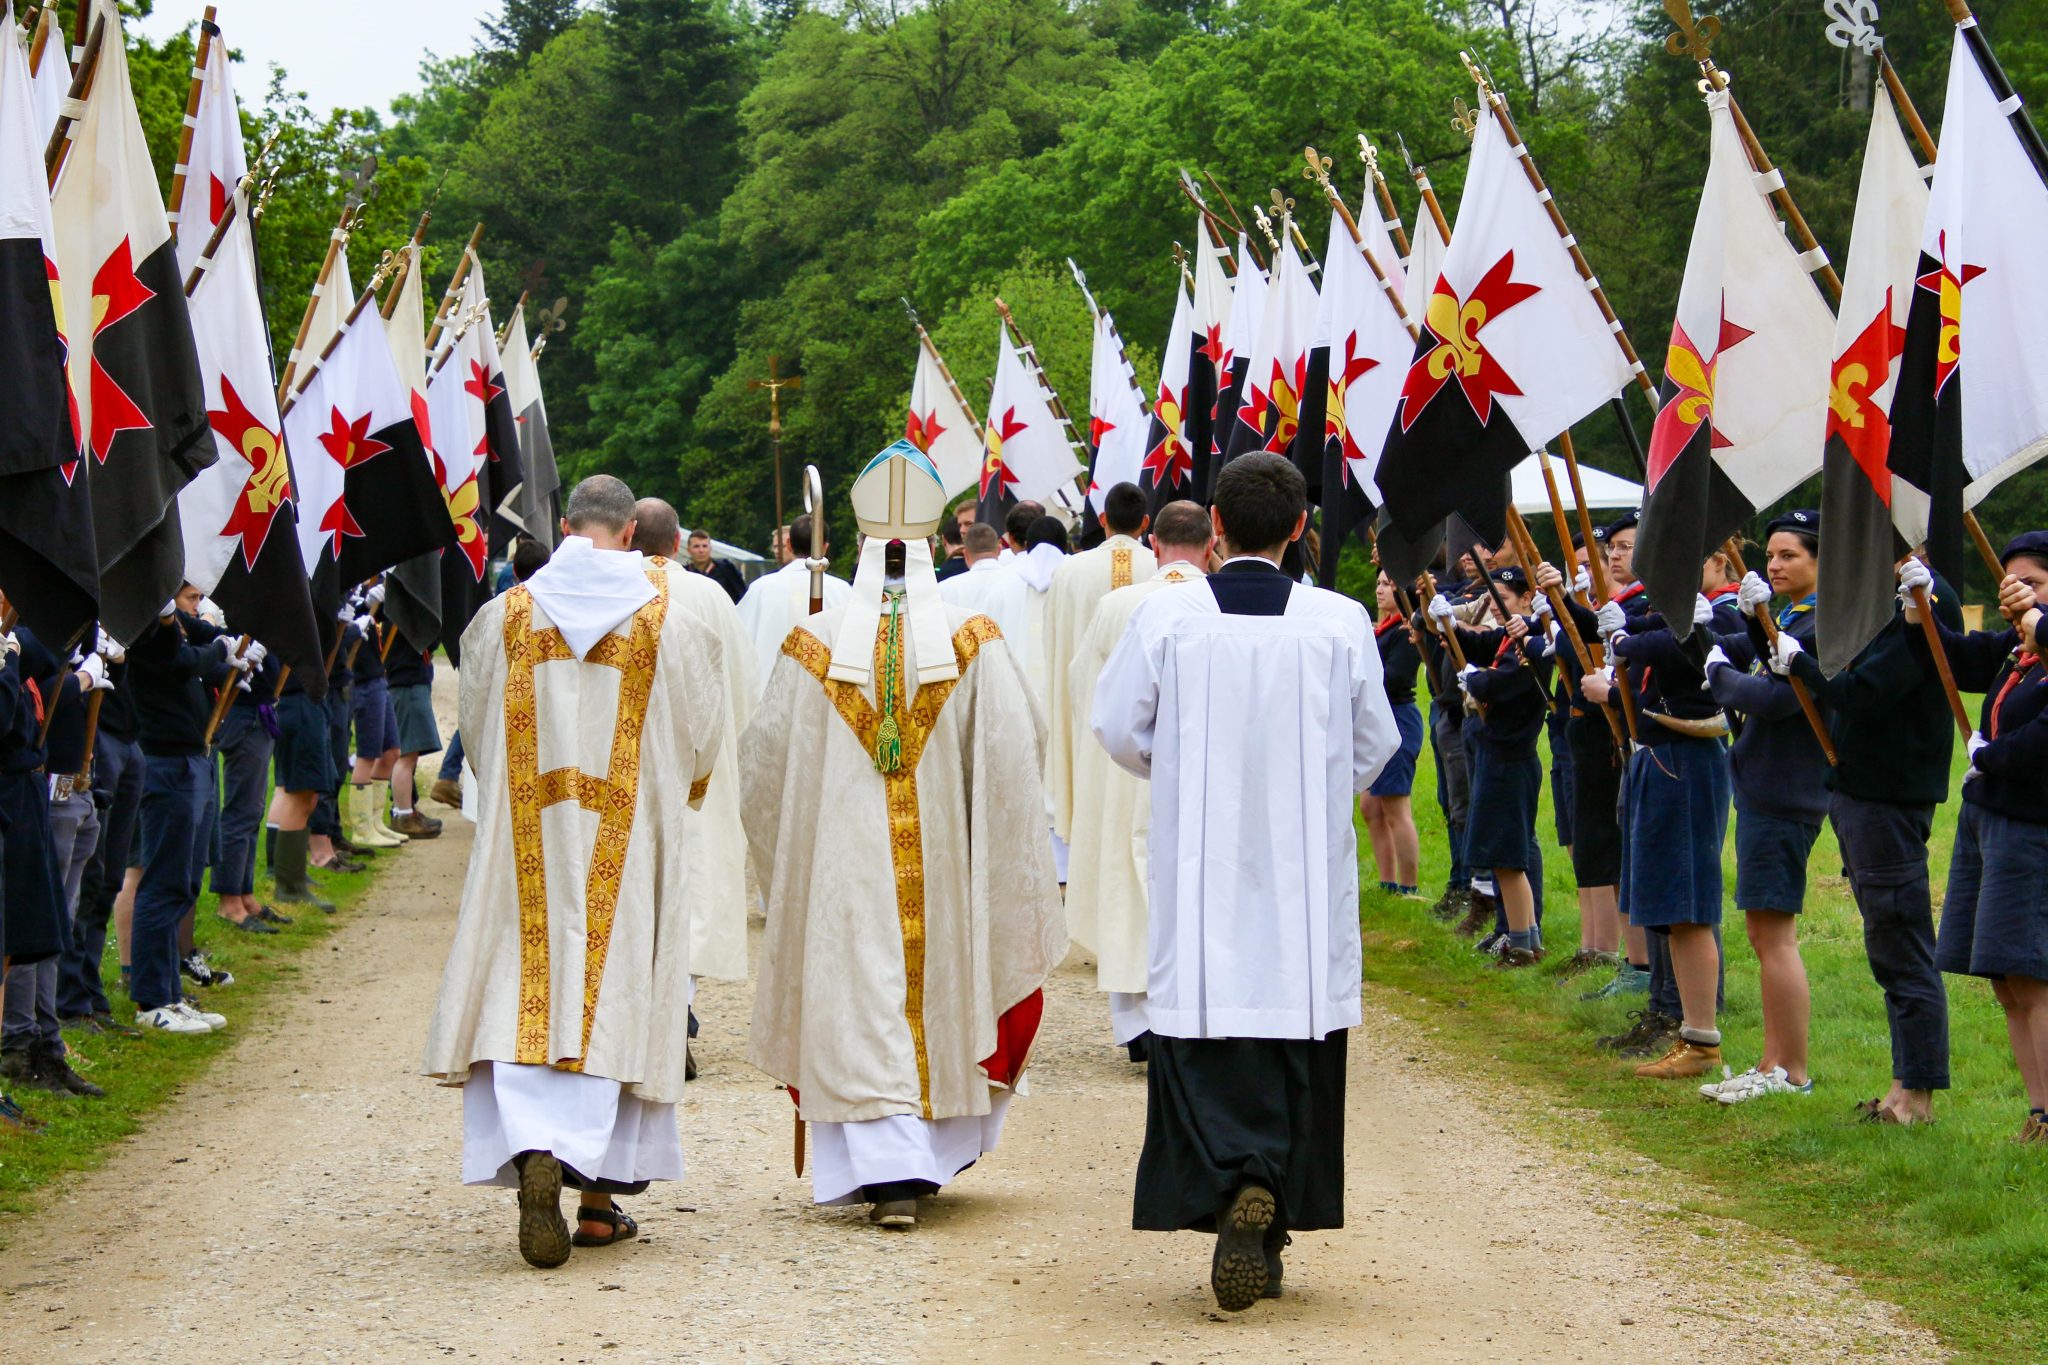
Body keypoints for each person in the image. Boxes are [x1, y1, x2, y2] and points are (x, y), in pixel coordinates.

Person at [1092, 453, 1399, 1312]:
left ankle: (1233, 1184)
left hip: (1203, 867)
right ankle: (1272, 1208)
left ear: (1215, 528)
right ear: (1302, 527)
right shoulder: (1338, 623)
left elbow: (1117, 727)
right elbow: (1375, 745)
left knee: (1202, 1028)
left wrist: (1179, 768)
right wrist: (1318, 781)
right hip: (1303, 875)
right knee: (1295, 1032)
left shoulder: (1171, 618)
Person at [743, 439, 1066, 1231]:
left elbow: (763, 773)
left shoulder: (811, 644)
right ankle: (917, 1158)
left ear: (860, 546)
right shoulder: (972, 640)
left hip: (840, 874)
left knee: (856, 995)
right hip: (944, 873)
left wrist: (795, 853)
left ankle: (882, 1167)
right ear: (930, 548)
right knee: (936, 992)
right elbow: (1016, 759)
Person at [422, 475, 728, 1269]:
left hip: (532, 834)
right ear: (631, 534)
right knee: (618, 986)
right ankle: (598, 1201)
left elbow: (482, 734)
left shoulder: (504, 617)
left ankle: (535, 1147)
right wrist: (676, 788)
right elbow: (700, 736)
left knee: (527, 985)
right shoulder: (674, 619)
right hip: (627, 839)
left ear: (564, 527)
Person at [1780, 556, 1961, 1126]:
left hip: (1890, 794)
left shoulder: (1921, 600)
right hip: (1863, 790)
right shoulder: (1882, 595)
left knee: (1902, 944)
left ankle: (1917, 1097)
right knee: (1889, 946)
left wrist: (1802, 664)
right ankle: (1901, 1089)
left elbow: (1868, 691)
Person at [1907, 536, 2048, 1139]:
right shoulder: (2019, 643)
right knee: (2005, 976)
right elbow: (1958, 659)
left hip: (2032, 824)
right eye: (2010, 582)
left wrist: (1990, 757)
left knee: (2034, 972)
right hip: (1987, 817)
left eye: (2033, 583)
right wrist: (1923, 608)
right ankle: (2038, 1109)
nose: (2016, 592)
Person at [1063, 499, 1212, 1050]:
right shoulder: (1223, 604)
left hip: (1127, 771)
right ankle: (1194, 1010)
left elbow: (1087, 687)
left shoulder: (1117, 605)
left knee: (1127, 887)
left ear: (1155, 544)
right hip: (1200, 773)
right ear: (1211, 540)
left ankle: (1138, 1025)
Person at [1696, 512, 1826, 1105]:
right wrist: (1747, 624)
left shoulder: (1821, 624)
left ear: (1820, 561)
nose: (1773, 566)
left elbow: (1778, 699)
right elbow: (1759, 656)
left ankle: (1791, 1070)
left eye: (1789, 556)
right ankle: (1773, 1059)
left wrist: (1720, 675)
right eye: (1770, 556)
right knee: (1761, 928)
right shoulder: (1793, 615)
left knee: (1774, 933)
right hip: (1764, 783)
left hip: (1787, 786)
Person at [1602, 576, 1738, 1080]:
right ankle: (1688, 1030)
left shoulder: (1718, 612)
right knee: (1667, 904)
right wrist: (1626, 627)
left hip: (1684, 757)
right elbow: (1655, 627)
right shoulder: (1670, 611)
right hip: (1659, 756)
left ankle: (1700, 1036)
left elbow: (1684, 645)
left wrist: (1624, 641)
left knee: (1686, 901)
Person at [631, 497, 760, 993]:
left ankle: (637, 1010)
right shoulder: (709, 596)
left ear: (628, 534)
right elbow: (743, 686)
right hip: (699, 767)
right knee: (692, 878)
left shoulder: (610, 591)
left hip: (627, 763)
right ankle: (680, 1004)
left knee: (634, 881)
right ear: (679, 540)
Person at [126, 584, 252, 1034]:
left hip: (190, 758)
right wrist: (216, 652)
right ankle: (152, 998)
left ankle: (172, 995)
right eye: (187, 597)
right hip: (165, 763)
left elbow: (200, 634)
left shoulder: (175, 624)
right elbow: (178, 661)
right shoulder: (145, 626)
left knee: (181, 884)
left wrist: (220, 645)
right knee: (161, 885)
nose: (195, 607)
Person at [0, 619, 103, 1098]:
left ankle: (47, 1043)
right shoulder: (13, 641)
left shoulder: (24, 638)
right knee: (21, 930)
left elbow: (51, 653)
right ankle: (21, 1046)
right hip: (17, 790)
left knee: (46, 925)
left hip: (32, 787)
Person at [1443, 568, 1552, 966]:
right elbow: (1482, 643)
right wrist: (1449, 624)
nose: (1495, 605)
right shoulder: (1510, 637)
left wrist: (1477, 680)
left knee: (1510, 856)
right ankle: (1524, 937)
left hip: (1511, 757)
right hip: (1497, 753)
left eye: (1504, 597)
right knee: (1503, 854)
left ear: (1527, 600)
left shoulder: (1534, 646)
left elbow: (1505, 683)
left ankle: (1522, 942)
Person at [1045, 481, 1156, 862]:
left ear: (1103, 519)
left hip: (1087, 711)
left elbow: (1056, 650)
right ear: (1145, 522)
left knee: (1094, 799)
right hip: (1146, 718)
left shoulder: (1070, 571)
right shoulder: (1159, 568)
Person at [59, 630, 143, 1038]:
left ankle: (91, 991)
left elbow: (127, 686)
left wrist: (119, 661)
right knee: (88, 878)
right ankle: (72, 999)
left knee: (108, 876)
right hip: (96, 742)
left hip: (127, 738)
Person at [735, 513, 852, 692]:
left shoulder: (761, 588)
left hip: (769, 693)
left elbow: (739, 642)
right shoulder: (843, 591)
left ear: (788, 545)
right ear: (825, 547)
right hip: (827, 695)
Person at [211, 643, 281, 929]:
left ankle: (245, 893)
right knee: (241, 811)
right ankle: (229, 901)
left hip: (259, 711)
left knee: (252, 811)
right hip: (244, 713)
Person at [1363, 572, 1424, 896]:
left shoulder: (1405, 630)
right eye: (1379, 583)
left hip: (1398, 717)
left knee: (1395, 807)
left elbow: (1395, 678)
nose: (1380, 589)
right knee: (1371, 807)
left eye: (1388, 583)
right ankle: (1387, 882)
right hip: (1376, 719)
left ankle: (1409, 887)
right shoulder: (1381, 628)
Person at [346, 581, 409, 850]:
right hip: (362, 680)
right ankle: (362, 828)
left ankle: (376, 821)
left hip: (377, 676)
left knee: (391, 751)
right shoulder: (351, 592)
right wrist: (363, 604)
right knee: (368, 754)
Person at [383, 628, 444, 841]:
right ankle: (404, 815)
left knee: (409, 754)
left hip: (407, 675)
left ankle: (406, 810)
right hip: (407, 678)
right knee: (406, 754)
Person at [682, 528, 747, 604]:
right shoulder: (684, 573)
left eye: (705, 546)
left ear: (710, 548)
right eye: (696, 546)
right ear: (688, 550)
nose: (701, 550)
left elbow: (742, 596)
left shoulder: (726, 569)